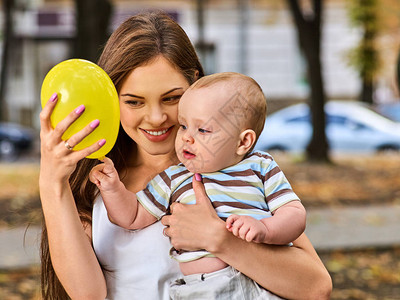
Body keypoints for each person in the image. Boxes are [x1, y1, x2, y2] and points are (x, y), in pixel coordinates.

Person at [39, 10, 332, 300]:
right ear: (111, 98)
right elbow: (87, 293)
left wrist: (220, 239)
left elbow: (315, 286)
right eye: (134, 101)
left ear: (195, 82)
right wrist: (52, 183)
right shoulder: (95, 186)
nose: (155, 117)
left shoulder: (230, 171)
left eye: (171, 98)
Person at [90, 72, 307, 299]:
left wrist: (266, 229)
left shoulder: (260, 166)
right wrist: (112, 188)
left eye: (202, 130)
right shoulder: (174, 177)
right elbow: (132, 217)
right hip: (200, 290)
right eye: (183, 126)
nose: (187, 138)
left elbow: (294, 214)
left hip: (260, 285)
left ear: (243, 142)